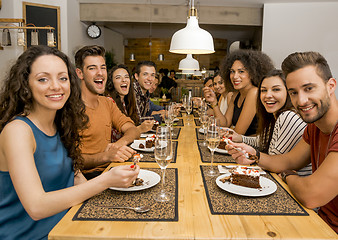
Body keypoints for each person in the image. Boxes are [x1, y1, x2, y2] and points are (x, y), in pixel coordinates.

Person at [0, 46, 140, 240]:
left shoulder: (61, 125)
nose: (56, 86)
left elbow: (77, 179)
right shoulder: (18, 131)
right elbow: (36, 206)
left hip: (68, 227)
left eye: (62, 78)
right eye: (43, 79)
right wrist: (106, 180)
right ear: (25, 85)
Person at [226, 52, 338, 233]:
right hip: (318, 221)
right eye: (294, 92)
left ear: (330, 85)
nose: (301, 100)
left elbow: (310, 195)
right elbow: (286, 161)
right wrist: (254, 156)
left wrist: (287, 175)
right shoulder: (314, 126)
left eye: (309, 88)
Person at [224, 69, 311, 176]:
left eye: (276, 90)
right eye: (264, 90)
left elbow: (273, 161)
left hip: (294, 185)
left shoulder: (288, 116)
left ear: (288, 92)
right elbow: (261, 141)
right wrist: (240, 138)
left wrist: (253, 155)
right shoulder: (273, 116)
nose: (268, 95)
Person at [75, 45, 140, 179]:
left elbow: (133, 130)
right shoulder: (71, 109)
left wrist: (117, 145)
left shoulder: (107, 103)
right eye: (92, 68)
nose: (100, 73)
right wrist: (105, 156)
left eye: (103, 67)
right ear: (80, 73)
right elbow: (72, 161)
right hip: (89, 177)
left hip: (111, 169)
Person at [203, 49, 274, 136]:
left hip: (252, 147)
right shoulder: (236, 94)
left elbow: (238, 133)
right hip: (238, 145)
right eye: (232, 71)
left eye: (241, 71)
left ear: (253, 73)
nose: (235, 76)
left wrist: (223, 131)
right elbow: (225, 123)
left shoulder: (254, 93)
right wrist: (214, 102)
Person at [105, 64, 154, 142]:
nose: (124, 80)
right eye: (118, 77)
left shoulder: (126, 101)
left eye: (126, 77)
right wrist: (139, 129)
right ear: (112, 83)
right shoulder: (109, 102)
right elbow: (114, 137)